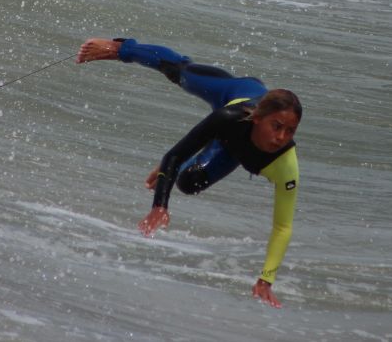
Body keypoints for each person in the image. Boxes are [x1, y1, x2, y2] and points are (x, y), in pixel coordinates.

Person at [76, 37, 301, 309]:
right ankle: (120, 48)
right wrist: (159, 206)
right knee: (180, 71)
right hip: (235, 93)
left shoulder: (285, 165)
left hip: (231, 147)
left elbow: (282, 227)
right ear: (257, 118)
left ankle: (179, 165)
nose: (281, 138)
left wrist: (266, 280)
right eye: (276, 126)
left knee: (189, 182)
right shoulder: (230, 117)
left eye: (290, 131)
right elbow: (173, 155)